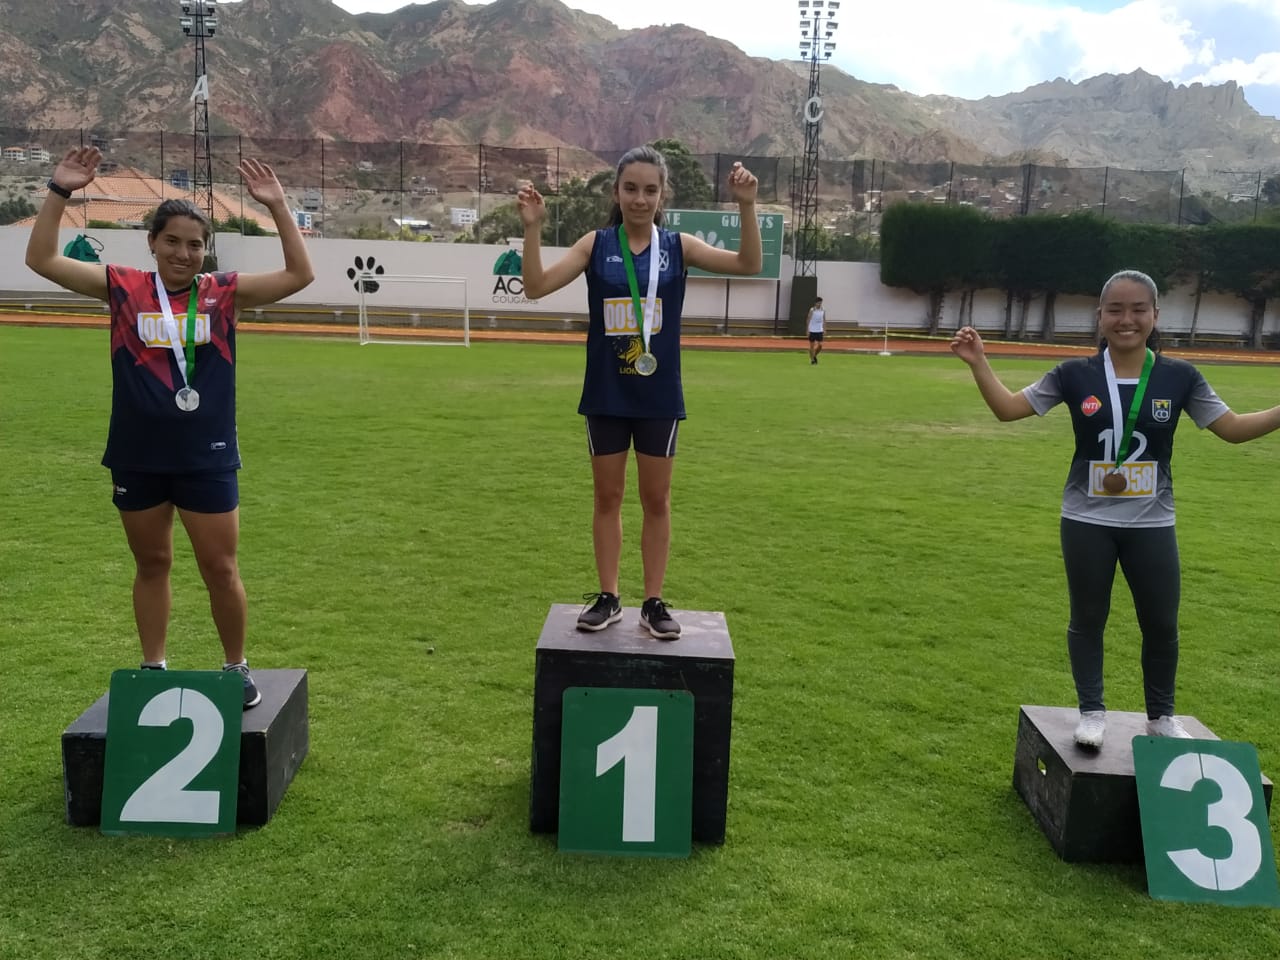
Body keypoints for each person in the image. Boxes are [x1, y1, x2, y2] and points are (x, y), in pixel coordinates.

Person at [25, 146, 315, 708]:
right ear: (153, 242)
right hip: (137, 454)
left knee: (220, 568)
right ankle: (153, 667)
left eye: (195, 244)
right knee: (152, 563)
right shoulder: (122, 287)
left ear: (206, 250)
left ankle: (236, 666)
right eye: (173, 241)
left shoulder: (222, 294)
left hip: (207, 455)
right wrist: (59, 191)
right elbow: (42, 259)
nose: (184, 253)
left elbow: (300, 274)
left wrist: (278, 206)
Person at [950, 269, 1280, 749]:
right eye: (1116, 310)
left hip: (1152, 521)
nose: (1127, 319)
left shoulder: (1180, 376)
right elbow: (1008, 409)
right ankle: (1092, 711)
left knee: (1161, 623)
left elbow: (1231, 428)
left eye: (1138, 309)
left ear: (1155, 315)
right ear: (1100, 316)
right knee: (1088, 618)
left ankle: (1161, 717)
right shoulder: (1073, 374)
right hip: (1086, 521)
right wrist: (979, 362)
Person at [517, 146, 762, 640]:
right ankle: (609, 597)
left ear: (662, 195)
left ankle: (653, 602)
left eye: (650, 190)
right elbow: (536, 287)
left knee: (657, 499)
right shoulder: (595, 244)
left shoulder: (678, 246)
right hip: (607, 393)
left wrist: (747, 204)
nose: (640, 199)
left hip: (658, 397)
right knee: (607, 496)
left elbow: (748, 263)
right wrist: (533, 228)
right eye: (630, 188)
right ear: (616, 192)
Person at [806, 296, 826, 364]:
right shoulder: (812, 310)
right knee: (812, 346)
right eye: (818, 303)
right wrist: (807, 330)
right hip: (812, 330)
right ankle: (812, 360)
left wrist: (824, 329)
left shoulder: (823, 310)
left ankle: (814, 355)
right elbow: (808, 319)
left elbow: (824, 319)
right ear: (815, 303)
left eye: (820, 303)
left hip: (819, 330)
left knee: (820, 345)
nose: (819, 304)